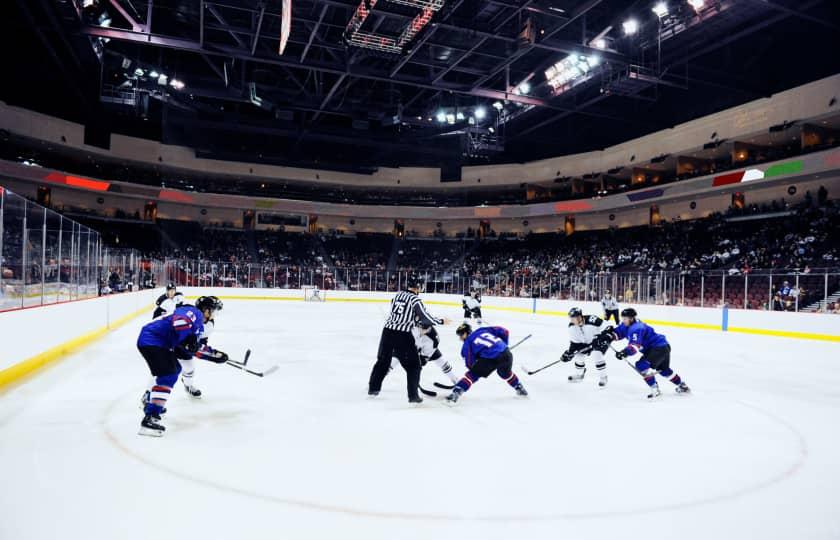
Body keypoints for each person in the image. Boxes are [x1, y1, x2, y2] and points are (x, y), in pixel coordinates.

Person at [137, 296, 227, 436]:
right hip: (152, 339)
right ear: (206, 310)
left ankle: (152, 408)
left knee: (174, 370)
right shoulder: (194, 312)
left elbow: (192, 348)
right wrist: (187, 339)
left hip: (156, 341)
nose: (214, 315)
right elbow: (179, 319)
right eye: (213, 311)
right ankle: (150, 418)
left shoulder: (197, 327)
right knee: (169, 373)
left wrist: (214, 355)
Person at [368, 276, 450, 403]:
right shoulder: (415, 299)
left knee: (382, 361)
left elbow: (403, 313)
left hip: (387, 331)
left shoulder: (398, 295)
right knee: (414, 366)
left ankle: (373, 389)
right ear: (418, 287)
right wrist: (441, 321)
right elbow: (425, 318)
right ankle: (413, 396)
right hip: (403, 334)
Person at [601, 308, 690, 400]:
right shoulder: (627, 324)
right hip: (662, 346)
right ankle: (682, 386)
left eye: (625, 319)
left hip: (658, 348)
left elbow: (635, 346)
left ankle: (655, 390)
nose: (623, 321)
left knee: (641, 366)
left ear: (631, 318)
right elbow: (619, 332)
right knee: (664, 369)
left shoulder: (637, 328)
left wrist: (625, 352)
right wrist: (609, 336)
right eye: (623, 318)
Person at [445, 323, 528, 404]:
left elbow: (469, 363)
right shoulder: (482, 330)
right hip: (506, 354)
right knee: (505, 373)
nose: (460, 338)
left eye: (461, 335)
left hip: (490, 358)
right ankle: (520, 388)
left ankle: (456, 393)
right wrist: (504, 344)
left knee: (471, 375)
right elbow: (505, 331)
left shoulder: (467, 343)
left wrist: (476, 367)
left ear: (466, 333)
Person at [560, 308, 610, 387]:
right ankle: (579, 375)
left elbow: (608, 327)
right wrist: (570, 353)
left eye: (573, 318)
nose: (571, 320)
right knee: (578, 355)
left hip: (599, 342)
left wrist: (603, 337)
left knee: (596, 355)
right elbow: (574, 343)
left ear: (579, 317)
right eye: (571, 318)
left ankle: (603, 377)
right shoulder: (572, 327)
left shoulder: (592, 320)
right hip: (586, 344)